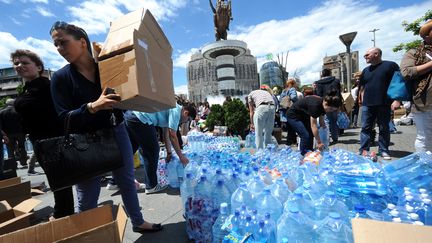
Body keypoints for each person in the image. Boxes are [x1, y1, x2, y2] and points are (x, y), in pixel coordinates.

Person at [49, 21, 162, 233]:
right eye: (56, 45)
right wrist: (92, 107)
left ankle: (137, 221)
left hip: (117, 130)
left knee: (127, 181)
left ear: (82, 42)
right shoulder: (60, 77)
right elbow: (63, 117)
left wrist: (113, 55)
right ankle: (88, 234)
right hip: (84, 142)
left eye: (63, 42)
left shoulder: (107, 67)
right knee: (88, 193)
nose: (59, 49)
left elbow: (136, 77)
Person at [11, 49, 75, 219]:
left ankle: (63, 214)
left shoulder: (47, 86)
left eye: (25, 63)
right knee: (57, 180)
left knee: (59, 180)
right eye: (16, 63)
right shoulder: (27, 90)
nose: (19, 66)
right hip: (40, 141)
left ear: (39, 67)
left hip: (53, 140)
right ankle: (64, 212)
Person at [123, 104, 196, 194]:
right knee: (152, 151)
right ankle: (151, 186)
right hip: (141, 118)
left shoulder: (172, 109)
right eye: (188, 119)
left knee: (129, 150)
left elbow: (166, 134)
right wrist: (181, 157)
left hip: (131, 115)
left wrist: (169, 153)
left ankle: (115, 181)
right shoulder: (176, 111)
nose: (185, 122)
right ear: (186, 113)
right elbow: (173, 136)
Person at [358, 47, 400, 160]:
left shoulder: (391, 66)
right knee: (365, 128)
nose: (365, 57)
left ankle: (383, 151)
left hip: (384, 103)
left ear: (376, 54)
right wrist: (361, 99)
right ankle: (363, 151)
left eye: (367, 54)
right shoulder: (366, 70)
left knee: (384, 128)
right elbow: (362, 87)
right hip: (367, 104)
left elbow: (398, 82)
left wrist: (397, 100)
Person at [400, 20, 432, 152]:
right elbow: (407, 72)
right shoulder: (414, 52)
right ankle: (425, 168)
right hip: (425, 102)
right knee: (425, 137)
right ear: (427, 35)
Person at [313, 68, 342, 144]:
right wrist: (339, 104)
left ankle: (326, 138)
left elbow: (318, 94)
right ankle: (335, 138)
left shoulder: (318, 83)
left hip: (324, 104)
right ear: (330, 73)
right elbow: (339, 93)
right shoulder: (336, 81)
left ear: (322, 74)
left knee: (325, 122)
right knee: (334, 121)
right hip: (334, 103)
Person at [0, 99, 28, 167]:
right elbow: (23, 121)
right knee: (22, 147)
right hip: (20, 132)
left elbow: (0, 125)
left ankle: (13, 165)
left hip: (8, 134)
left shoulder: (1, 112)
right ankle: (23, 162)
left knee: (10, 149)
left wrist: (3, 134)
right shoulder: (18, 110)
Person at [279, 78, 299, 145]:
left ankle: (293, 141)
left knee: (290, 126)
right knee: (292, 126)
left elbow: (280, 100)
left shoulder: (284, 91)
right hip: (291, 109)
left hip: (284, 110)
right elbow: (294, 97)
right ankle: (289, 141)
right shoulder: (292, 89)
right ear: (293, 84)